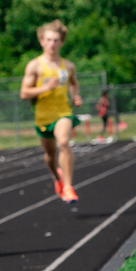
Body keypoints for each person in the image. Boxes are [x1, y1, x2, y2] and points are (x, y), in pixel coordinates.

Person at [19, 20, 83, 203]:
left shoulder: (68, 66)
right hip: (43, 117)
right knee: (50, 156)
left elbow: (74, 83)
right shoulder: (35, 66)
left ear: (61, 42)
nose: (52, 44)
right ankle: (57, 177)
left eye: (56, 40)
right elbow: (24, 93)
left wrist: (75, 97)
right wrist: (44, 88)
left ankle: (69, 188)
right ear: (41, 41)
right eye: (48, 40)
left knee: (63, 142)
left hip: (63, 112)